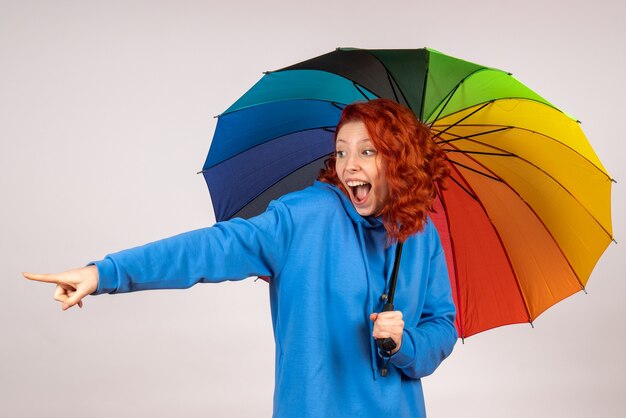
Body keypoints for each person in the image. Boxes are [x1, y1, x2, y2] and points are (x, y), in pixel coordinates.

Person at [24, 98, 457, 418]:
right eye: (342, 151)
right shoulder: (303, 217)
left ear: (399, 161)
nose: (349, 165)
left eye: (367, 151)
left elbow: (442, 328)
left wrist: (404, 344)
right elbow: (211, 248)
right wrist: (105, 273)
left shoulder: (422, 236)